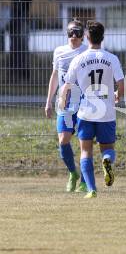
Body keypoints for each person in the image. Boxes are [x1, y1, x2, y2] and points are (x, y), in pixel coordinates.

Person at [60, 21, 124, 199]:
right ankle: (107, 160)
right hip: (106, 111)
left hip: (86, 111)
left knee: (85, 151)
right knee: (108, 148)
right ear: (102, 38)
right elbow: (120, 83)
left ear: (87, 37)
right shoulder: (112, 58)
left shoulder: (79, 59)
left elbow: (67, 85)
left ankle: (91, 189)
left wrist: (63, 100)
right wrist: (119, 95)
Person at [45, 18, 88, 192]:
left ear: (83, 35)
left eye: (77, 32)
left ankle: (85, 181)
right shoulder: (59, 51)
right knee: (63, 140)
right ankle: (73, 173)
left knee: (85, 143)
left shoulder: (87, 51)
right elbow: (55, 76)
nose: (74, 36)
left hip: (85, 102)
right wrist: (48, 101)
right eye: (71, 32)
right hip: (65, 102)